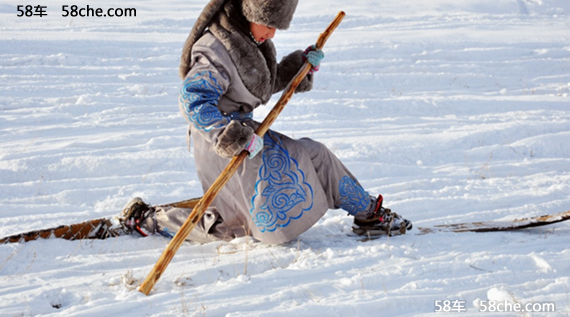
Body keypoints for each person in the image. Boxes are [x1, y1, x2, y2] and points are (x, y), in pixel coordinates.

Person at [116, 0, 412, 244]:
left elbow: (257, 86)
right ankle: (148, 219)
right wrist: (227, 136)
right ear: (251, 13)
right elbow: (193, 100)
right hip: (222, 144)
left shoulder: (249, 40)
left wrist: (298, 67)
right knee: (236, 228)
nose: (272, 34)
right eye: (269, 25)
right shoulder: (214, 49)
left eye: (277, 28)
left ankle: (369, 214)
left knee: (316, 154)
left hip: (249, 138)